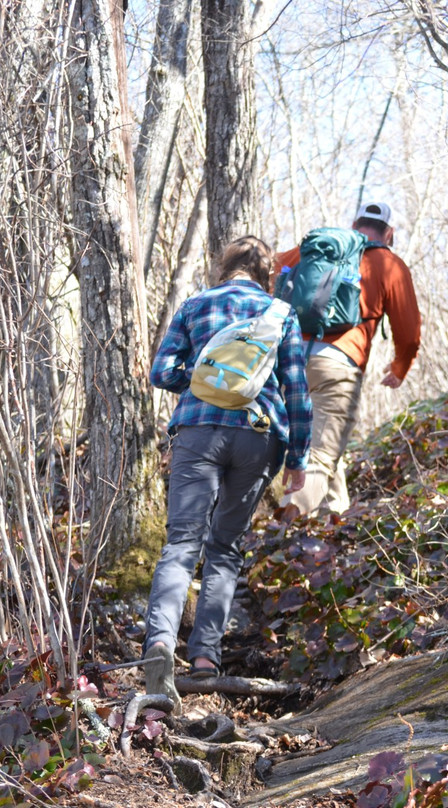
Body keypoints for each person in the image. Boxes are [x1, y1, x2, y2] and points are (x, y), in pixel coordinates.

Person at [143, 235, 312, 705]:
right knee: (225, 547)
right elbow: (297, 389)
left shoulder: (196, 305)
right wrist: (298, 459)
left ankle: (159, 643)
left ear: (225, 267)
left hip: (197, 430)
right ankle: (204, 658)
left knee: (181, 543)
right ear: (265, 275)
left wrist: (202, 381)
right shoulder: (280, 314)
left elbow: (161, 372)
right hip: (258, 436)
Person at [275, 202, 421, 516]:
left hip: (288, 360)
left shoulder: (312, 252)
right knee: (321, 457)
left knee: (327, 447)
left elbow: (271, 271)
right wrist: (400, 367)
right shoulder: (388, 263)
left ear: (354, 226)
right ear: (389, 233)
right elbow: (408, 332)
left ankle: (334, 522)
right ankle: (283, 526)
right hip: (338, 364)